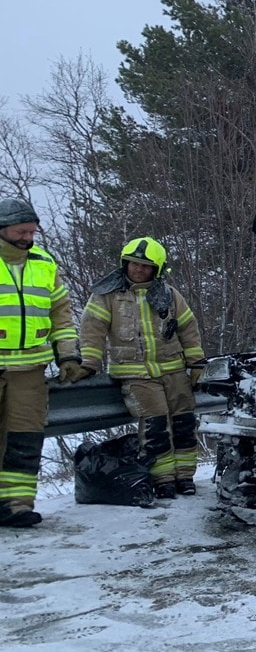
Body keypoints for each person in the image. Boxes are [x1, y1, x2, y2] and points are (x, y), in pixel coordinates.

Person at [79, 237, 206, 499]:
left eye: (145, 265)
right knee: (155, 425)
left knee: (184, 422)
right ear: (125, 263)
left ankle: (185, 477)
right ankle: (163, 480)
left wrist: (196, 363)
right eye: (134, 263)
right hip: (135, 373)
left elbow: (188, 330)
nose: (138, 269)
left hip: (173, 371)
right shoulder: (107, 296)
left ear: (156, 269)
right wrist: (89, 363)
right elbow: (92, 330)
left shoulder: (170, 295)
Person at [0, 198, 85, 527]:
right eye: (20, 231)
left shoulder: (44, 264)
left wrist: (68, 355)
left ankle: (16, 506)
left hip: (30, 371)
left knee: (25, 438)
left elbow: (61, 318)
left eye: (32, 232)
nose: (27, 237)